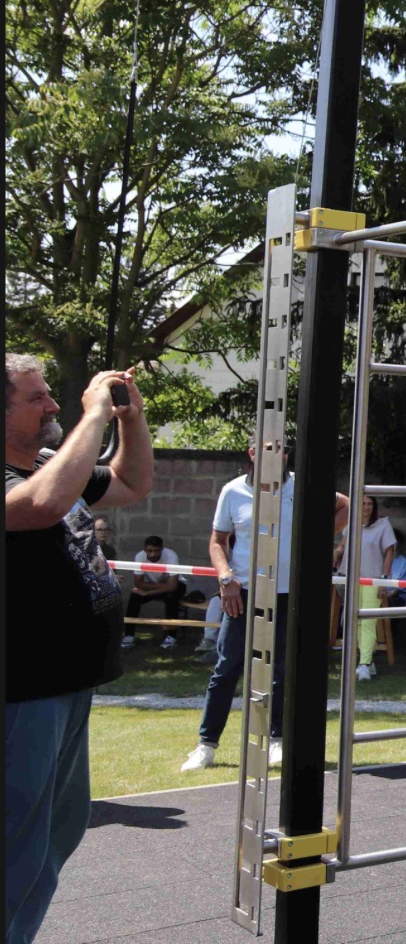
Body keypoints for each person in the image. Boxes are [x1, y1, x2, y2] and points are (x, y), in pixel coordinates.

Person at [6, 356, 152, 942]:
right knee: (15, 843)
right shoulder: (28, 478)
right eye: (36, 397)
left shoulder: (45, 462)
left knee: (55, 839)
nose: (52, 405)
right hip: (22, 690)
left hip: (71, 682)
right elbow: (40, 505)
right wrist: (93, 412)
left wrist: (129, 419)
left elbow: (131, 484)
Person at [182, 445, 347, 772]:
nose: (277, 455)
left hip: (289, 594)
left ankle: (276, 741)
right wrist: (225, 577)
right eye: (267, 449)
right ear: (252, 452)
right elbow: (218, 541)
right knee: (227, 668)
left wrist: (314, 538)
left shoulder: (302, 485)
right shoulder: (233, 490)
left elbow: (344, 505)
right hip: (242, 592)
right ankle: (206, 746)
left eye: (282, 450)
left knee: (282, 670)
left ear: (288, 456)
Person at [335, 493, 398, 683]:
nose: (366, 507)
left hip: (372, 579)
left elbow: (389, 551)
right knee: (352, 622)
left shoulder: (383, 525)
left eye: (370, 503)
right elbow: (342, 546)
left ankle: (363, 664)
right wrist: (336, 553)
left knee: (368, 621)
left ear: (374, 506)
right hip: (349, 577)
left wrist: (384, 580)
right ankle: (367, 662)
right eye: (363, 503)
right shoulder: (351, 524)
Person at [122, 535, 183, 648]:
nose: (153, 554)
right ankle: (129, 635)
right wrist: (154, 588)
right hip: (155, 585)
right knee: (135, 595)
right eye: (150, 551)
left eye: (156, 551)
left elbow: (173, 586)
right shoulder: (140, 556)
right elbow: (138, 583)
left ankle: (171, 636)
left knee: (171, 597)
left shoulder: (171, 556)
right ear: (145, 550)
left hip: (175, 586)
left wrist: (148, 593)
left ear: (162, 549)